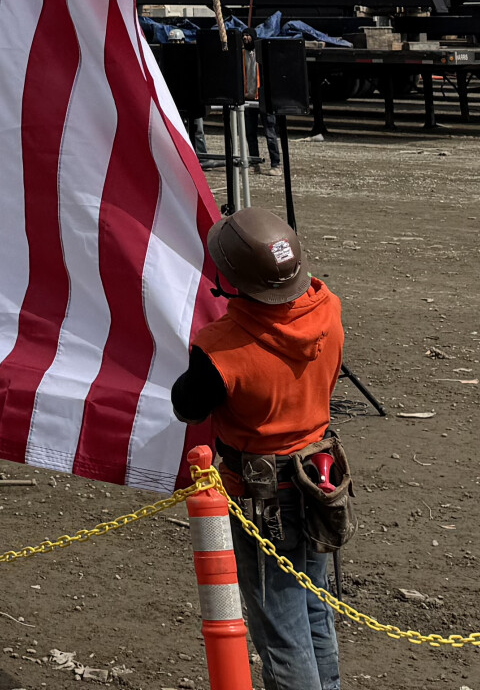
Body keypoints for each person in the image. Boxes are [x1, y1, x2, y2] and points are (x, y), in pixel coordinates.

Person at [170, 209, 350, 690]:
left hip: (264, 492)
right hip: (319, 474)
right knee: (313, 605)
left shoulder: (221, 347)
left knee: (281, 628)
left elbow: (188, 407)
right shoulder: (327, 307)